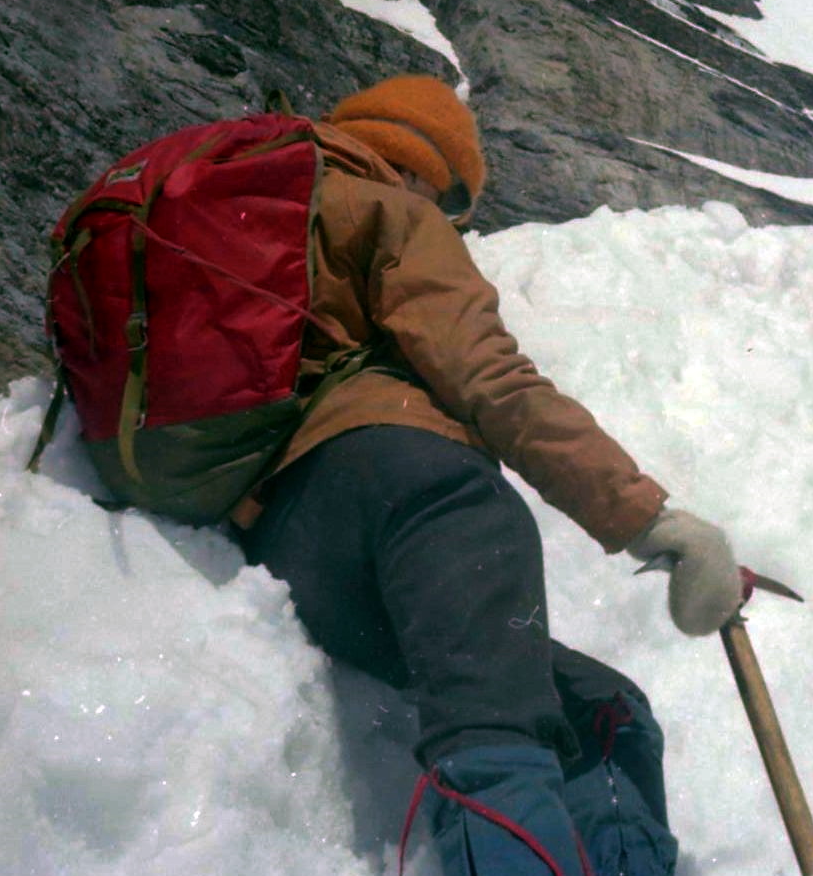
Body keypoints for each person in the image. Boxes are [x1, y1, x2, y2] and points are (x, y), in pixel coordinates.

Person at [230, 75, 744, 875]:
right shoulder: (386, 207)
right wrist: (651, 521)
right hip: (414, 490)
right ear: (419, 163)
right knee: (500, 738)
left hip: (289, 536)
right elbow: (493, 382)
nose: (451, 218)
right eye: (452, 198)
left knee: (603, 708)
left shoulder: (258, 212)